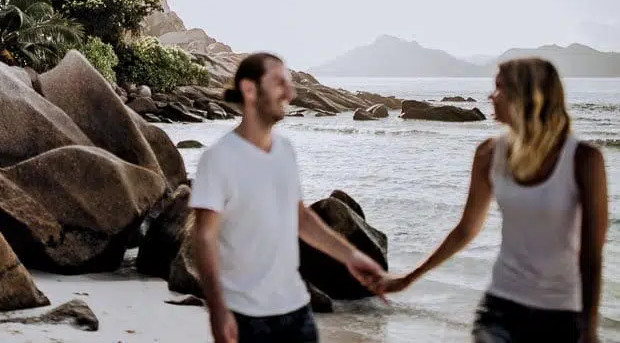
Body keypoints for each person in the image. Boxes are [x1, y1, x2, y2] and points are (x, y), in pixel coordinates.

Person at [379, 57, 609, 343]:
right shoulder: (488, 154)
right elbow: (466, 229)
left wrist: (589, 329)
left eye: (499, 88)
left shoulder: (584, 160)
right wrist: (407, 278)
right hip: (500, 308)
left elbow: (591, 252)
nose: (491, 95)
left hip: (562, 314)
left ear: (527, 96)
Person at [189, 52, 387, 343]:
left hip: (296, 311)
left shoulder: (285, 152)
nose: (291, 92)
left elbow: (300, 218)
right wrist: (218, 309)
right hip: (246, 316)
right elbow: (204, 238)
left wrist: (352, 257)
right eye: (280, 83)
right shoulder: (218, 159)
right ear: (249, 89)